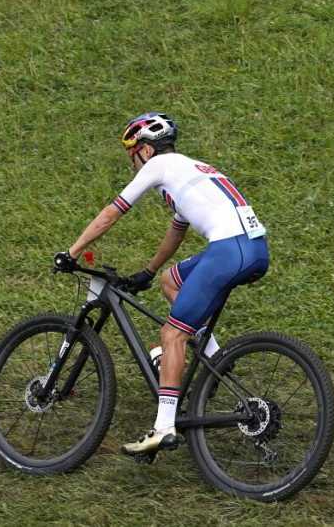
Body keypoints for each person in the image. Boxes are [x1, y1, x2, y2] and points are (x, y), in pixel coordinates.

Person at [53, 112, 269, 455]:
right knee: (171, 282)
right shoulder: (192, 169)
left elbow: (113, 211)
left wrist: (73, 250)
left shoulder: (159, 166)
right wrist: (150, 271)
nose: (134, 164)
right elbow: (177, 229)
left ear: (147, 149)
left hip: (229, 250)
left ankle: (163, 427)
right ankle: (217, 361)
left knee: (172, 334)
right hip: (253, 248)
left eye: (133, 155)